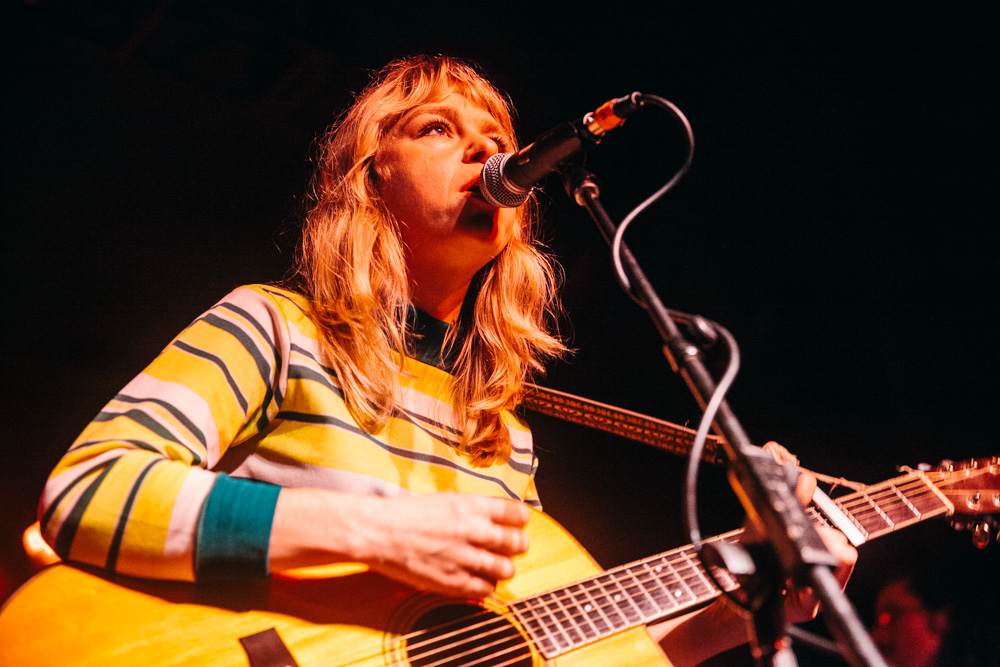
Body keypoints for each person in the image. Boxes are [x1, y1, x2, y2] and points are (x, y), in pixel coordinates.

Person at [36, 55, 855, 666]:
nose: (486, 155)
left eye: (498, 143)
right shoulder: (274, 327)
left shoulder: (502, 434)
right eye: (438, 129)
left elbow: (534, 651)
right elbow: (86, 489)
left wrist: (739, 601)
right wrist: (378, 528)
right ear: (367, 178)